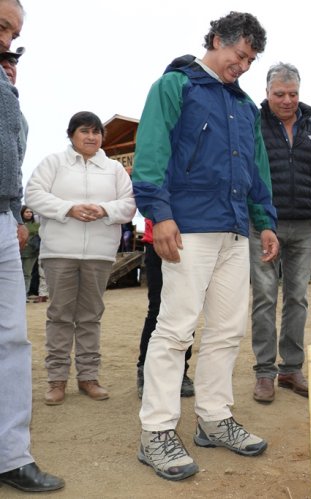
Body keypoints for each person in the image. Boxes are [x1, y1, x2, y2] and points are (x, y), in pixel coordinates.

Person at [131, 11, 279, 481]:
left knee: (226, 331)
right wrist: (160, 214)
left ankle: (214, 419)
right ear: (217, 40)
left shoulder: (246, 107)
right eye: (240, 56)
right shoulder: (174, 86)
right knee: (175, 329)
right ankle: (156, 431)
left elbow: (257, 169)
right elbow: (152, 152)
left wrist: (265, 220)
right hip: (187, 227)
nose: (245, 67)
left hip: (234, 230)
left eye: (251, 60)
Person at [25, 111, 136, 406]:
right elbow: (33, 194)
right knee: (59, 316)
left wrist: (104, 210)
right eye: (84, 131)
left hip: (99, 254)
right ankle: (56, 380)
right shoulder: (53, 163)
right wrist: (69, 208)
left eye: (96, 132)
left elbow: (129, 206)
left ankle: (88, 377)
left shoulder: (113, 169)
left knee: (90, 317)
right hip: (59, 251)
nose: (91, 137)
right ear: (71, 135)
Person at [0, 0, 64, 491]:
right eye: (2, 26)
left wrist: (10, 94)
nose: (7, 40)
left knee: (13, 339)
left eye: (12, 33)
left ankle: (10, 455)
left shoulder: (4, 85)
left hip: (2, 217)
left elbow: (12, 149)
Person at [250, 62, 311, 403]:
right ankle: (264, 372)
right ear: (267, 93)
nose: (287, 100)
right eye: (279, 94)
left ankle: (291, 367)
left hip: (303, 226)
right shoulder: (253, 124)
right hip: (263, 225)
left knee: (297, 297)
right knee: (264, 297)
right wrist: (259, 220)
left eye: (293, 94)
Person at [135, 218, 194, 399]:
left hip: (192, 241)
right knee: (157, 309)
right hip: (158, 240)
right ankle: (145, 370)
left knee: (188, 309)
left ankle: (180, 371)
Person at [19, 205, 39, 295]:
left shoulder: (36, 225)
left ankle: (24, 294)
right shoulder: (17, 224)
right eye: (27, 212)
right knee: (17, 274)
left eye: (31, 212)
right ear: (22, 213)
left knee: (27, 274)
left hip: (31, 253)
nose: (29, 214)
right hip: (18, 252)